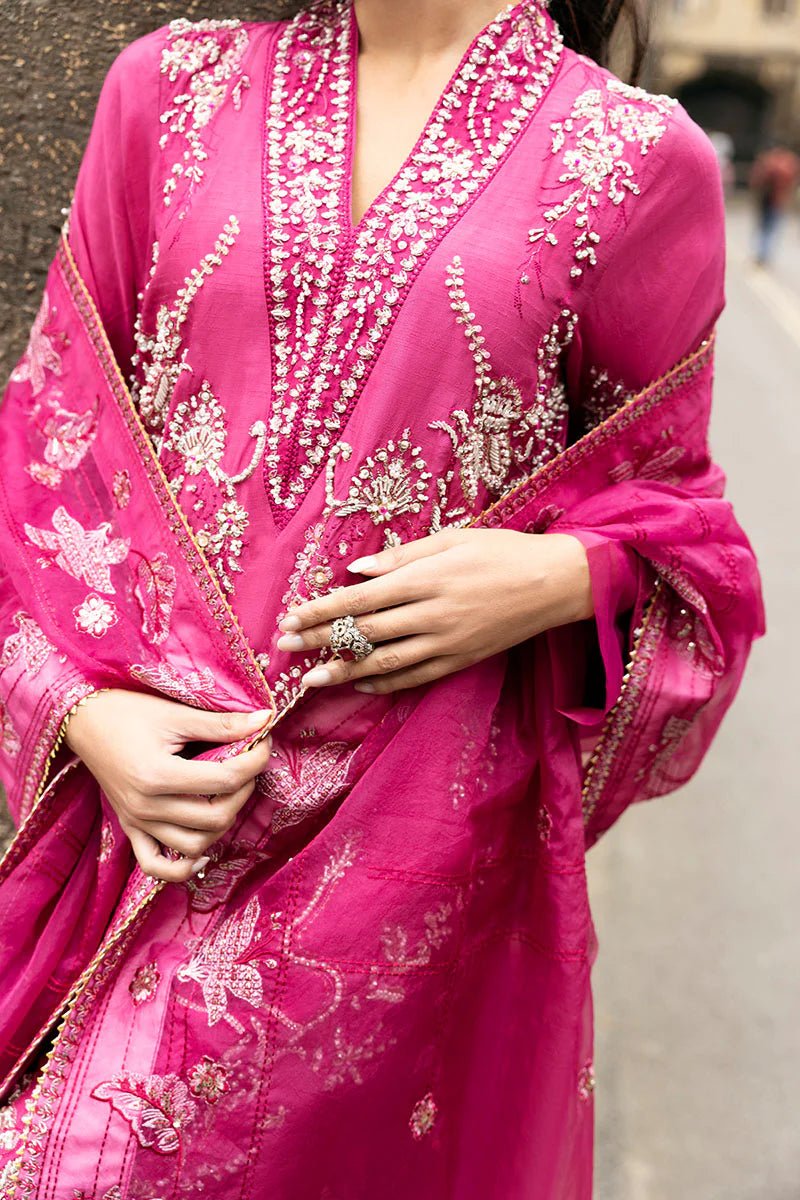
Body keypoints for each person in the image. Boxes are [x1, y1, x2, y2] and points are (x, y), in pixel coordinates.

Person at [0, 1, 764, 1196]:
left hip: (402, 899)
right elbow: (46, 461)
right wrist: (85, 716)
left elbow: (685, 544)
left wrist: (563, 579)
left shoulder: (632, 158)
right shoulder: (167, 90)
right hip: (144, 836)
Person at [750, 141, 800, 266]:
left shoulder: (768, 161)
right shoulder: (790, 163)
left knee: (764, 227)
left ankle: (761, 254)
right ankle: (764, 254)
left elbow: (756, 179)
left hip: (767, 199)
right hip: (777, 200)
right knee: (771, 228)